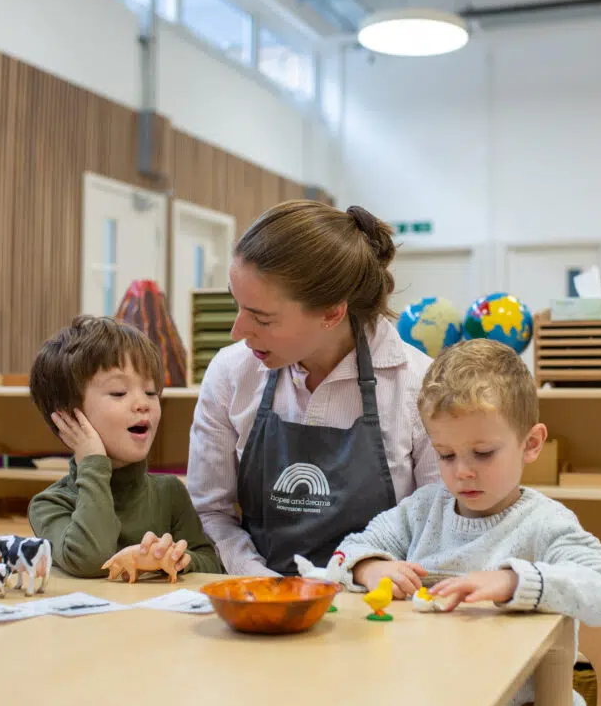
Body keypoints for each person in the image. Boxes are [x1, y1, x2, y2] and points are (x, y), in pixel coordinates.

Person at [334, 339, 601, 706]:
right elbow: (340, 557)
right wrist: (369, 567)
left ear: (532, 444)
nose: (462, 473)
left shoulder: (544, 523)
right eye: (446, 455)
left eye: (483, 453)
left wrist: (513, 582)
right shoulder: (422, 510)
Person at [186, 200, 440, 576]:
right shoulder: (231, 372)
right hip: (261, 605)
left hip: (377, 611)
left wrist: (360, 572)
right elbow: (210, 513)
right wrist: (262, 581)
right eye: (236, 304)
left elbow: (437, 524)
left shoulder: (417, 383)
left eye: (262, 318)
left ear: (331, 313)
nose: (237, 331)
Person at [28, 316, 221, 578]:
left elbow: (210, 561)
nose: (143, 403)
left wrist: (178, 559)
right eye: (119, 392)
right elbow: (90, 560)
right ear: (69, 418)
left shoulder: (169, 492)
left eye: (151, 392)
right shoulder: (50, 504)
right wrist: (93, 464)